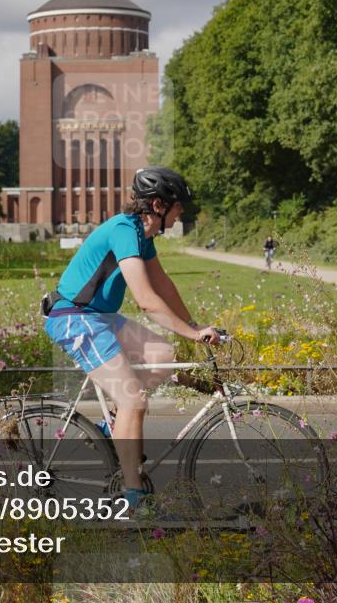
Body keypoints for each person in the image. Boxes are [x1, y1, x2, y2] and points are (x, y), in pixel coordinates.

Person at [42, 166, 222, 512]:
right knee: (135, 401)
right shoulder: (125, 230)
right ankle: (133, 497)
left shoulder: (143, 236)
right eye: (177, 205)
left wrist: (194, 325)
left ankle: (113, 426)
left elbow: (163, 286)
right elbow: (146, 299)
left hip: (99, 316)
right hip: (74, 318)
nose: (181, 210)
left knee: (163, 353)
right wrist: (194, 334)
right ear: (158, 205)